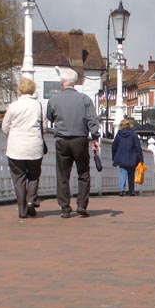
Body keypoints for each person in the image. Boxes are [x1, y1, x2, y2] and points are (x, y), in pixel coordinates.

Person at [46, 69, 100, 218]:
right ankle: (81, 204)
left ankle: (65, 207)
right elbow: (92, 120)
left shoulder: (53, 100)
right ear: (75, 82)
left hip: (62, 140)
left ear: (62, 83)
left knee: (63, 175)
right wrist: (95, 138)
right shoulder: (85, 99)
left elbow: (50, 116)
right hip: (80, 139)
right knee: (83, 172)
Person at [1, 77, 45, 220]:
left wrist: (12, 133)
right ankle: (32, 199)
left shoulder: (13, 106)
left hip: (16, 148)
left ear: (19, 90)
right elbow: (43, 125)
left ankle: (22, 210)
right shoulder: (38, 105)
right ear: (32, 90)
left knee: (19, 179)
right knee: (33, 176)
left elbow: (5, 126)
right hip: (34, 146)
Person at [112, 117, 144, 196]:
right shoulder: (133, 135)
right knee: (131, 174)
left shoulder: (118, 135)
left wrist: (114, 157)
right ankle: (131, 191)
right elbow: (138, 147)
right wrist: (141, 159)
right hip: (132, 158)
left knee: (123, 173)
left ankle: (122, 190)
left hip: (121, 157)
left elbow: (114, 147)